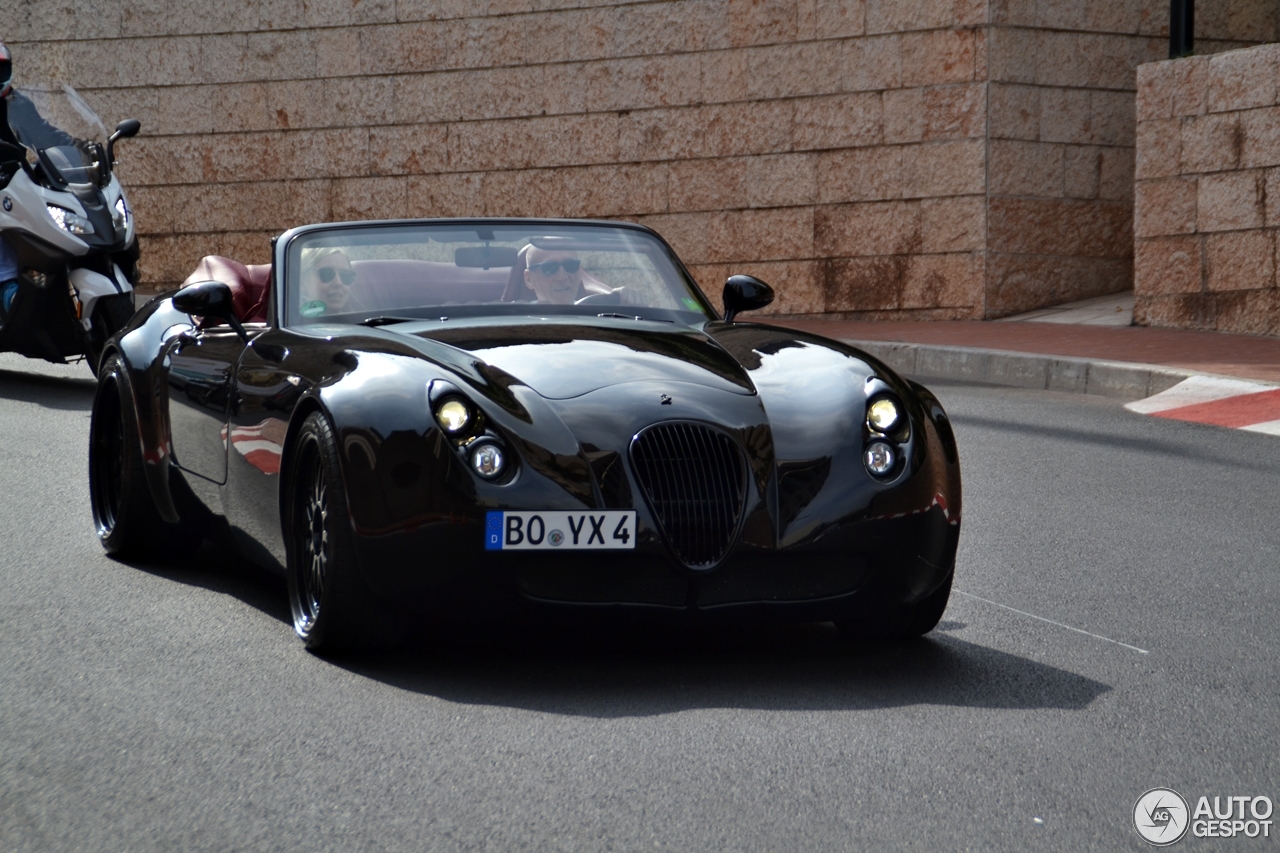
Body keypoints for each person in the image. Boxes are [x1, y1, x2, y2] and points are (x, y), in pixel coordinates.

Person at [297, 247, 362, 317]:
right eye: (326, 274)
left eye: (346, 275)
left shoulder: (361, 321)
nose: (338, 283)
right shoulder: (290, 321)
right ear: (302, 280)